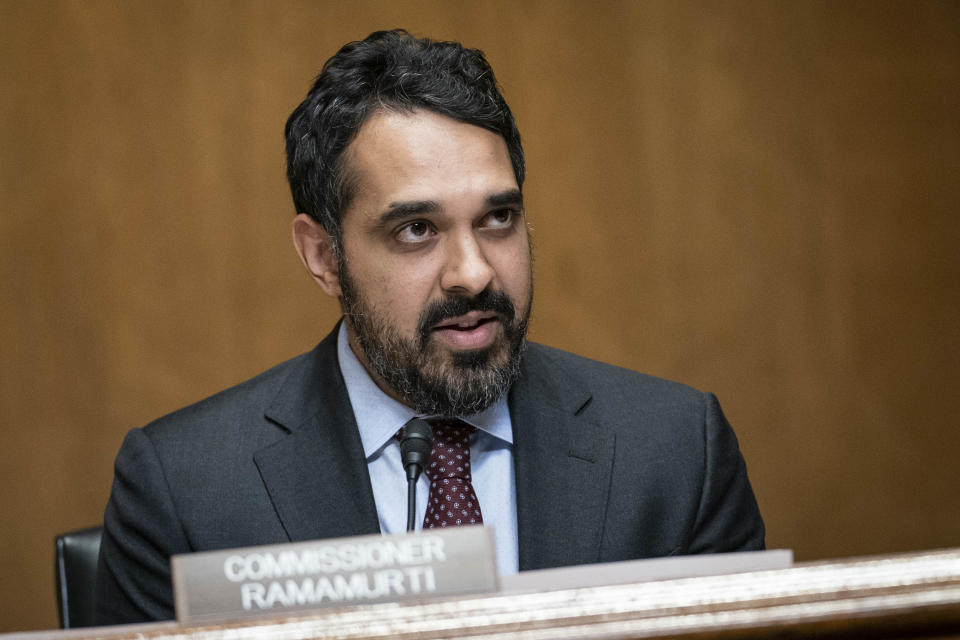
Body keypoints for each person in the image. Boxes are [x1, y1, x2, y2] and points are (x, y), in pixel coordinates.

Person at [94, 29, 764, 625]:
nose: (472, 274)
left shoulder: (677, 455)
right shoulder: (185, 490)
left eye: (497, 218)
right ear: (325, 257)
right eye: (416, 230)